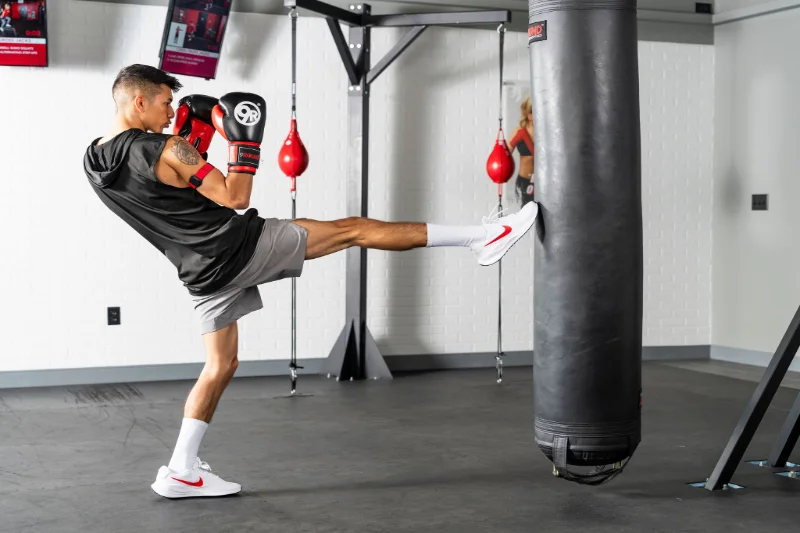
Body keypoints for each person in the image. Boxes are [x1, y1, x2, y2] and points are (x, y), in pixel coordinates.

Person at [83, 64, 539, 499]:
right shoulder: (164, 149)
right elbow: (235, 197)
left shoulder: (93, 161)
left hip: (198, 271)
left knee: (221, 366)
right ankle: (485, 238)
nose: (169, 113)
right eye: (164, 103)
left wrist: (187, 143)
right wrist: (240, 146)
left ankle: (181, 470)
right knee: (354, 229)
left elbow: (159, 191)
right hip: (238, 245)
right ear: (138, 101)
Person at [507, 95, 535, 206]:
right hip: (524, 181)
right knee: (525, 216)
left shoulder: (546, 131)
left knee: (542, 217)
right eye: (531, 111)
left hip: (542, 182)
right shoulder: (518, 132)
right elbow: (505, 155)